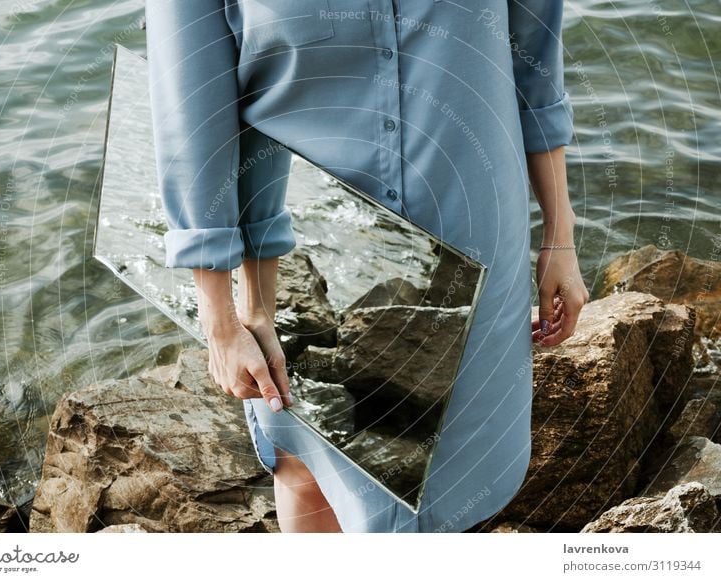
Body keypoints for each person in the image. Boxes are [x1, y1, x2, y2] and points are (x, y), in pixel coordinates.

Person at [144, 0, 589, 533]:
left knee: (451, 492)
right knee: (305, 463)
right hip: (302, 260)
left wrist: (560, 239)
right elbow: (190, 106)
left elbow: (534, 65)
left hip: (477, 244)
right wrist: (219, 316)